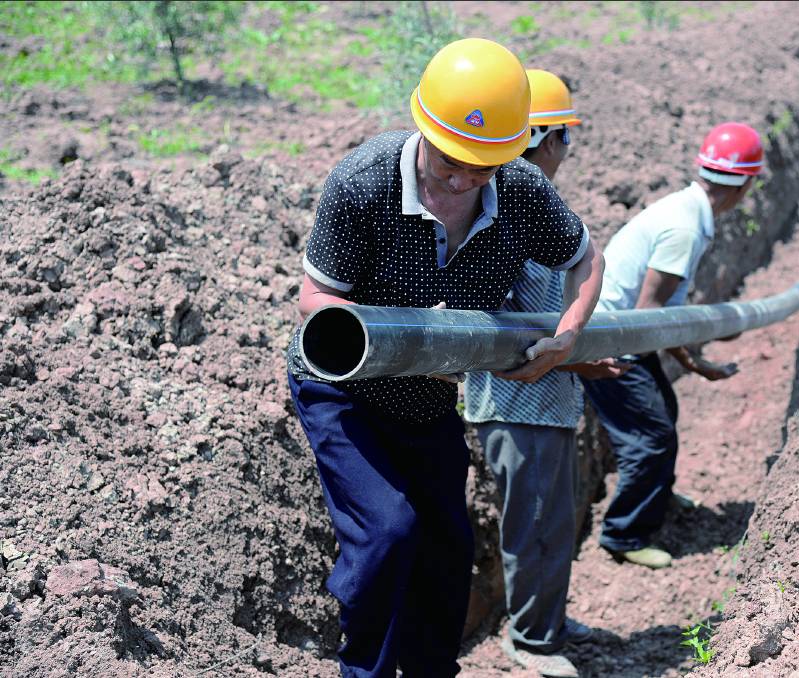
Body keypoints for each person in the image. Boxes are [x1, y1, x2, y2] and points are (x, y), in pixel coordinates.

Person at [285, 39, 604, 678]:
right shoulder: (365, 180)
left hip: (428, 396)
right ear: (424, 128)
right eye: (449, 159)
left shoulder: (520, 192)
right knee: (386, 534)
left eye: (480, 168)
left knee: (448, 547)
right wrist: (400, 341)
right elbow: (315, 296)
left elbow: (585, 259)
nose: (459, 180)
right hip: (345, 390)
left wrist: (565, 337)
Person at [464, 69, 625, 678]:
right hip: (514, 399)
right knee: (532, 525)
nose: (564, 153)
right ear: (545, 136)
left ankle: (549, 621)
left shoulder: (528, 199)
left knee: (556, 521)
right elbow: (503, 324)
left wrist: (576, 354)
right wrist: (577, 354)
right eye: (564, 138)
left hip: (548, 397)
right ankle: (530, 639)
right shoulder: (511, 197)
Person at [580, 122, 764, 570]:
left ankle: (656, 497)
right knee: (650, 437)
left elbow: (658, 316)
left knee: (665, 414)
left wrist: (694, 361)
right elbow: (650, 317)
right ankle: (625, 534)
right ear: (746, 185)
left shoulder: (684, 211)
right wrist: (705, 339)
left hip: (624, 334)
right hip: (611, 342)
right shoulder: (685, 228)